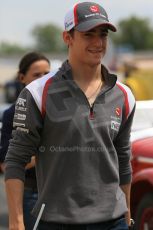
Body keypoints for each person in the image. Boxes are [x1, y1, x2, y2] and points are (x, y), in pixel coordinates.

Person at [5, 2, 136, 230]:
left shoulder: (124, 95)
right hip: (57, 222)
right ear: (68, 37)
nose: (98, 42)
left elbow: (123, 160)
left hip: (113, 221)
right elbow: (15, 161)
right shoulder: (37, 93)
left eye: (103, 34)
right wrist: (16, 222)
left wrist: (127, 213)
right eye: (88, 34)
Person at [0, 52, 50, 229]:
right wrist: (50, 153)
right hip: (32, 194)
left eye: (47, 74)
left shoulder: (60, 112)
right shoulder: (12, 114)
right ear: (22, 77)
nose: (43, 79)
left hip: (62, 194)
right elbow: (7, 165)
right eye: (37, 75)